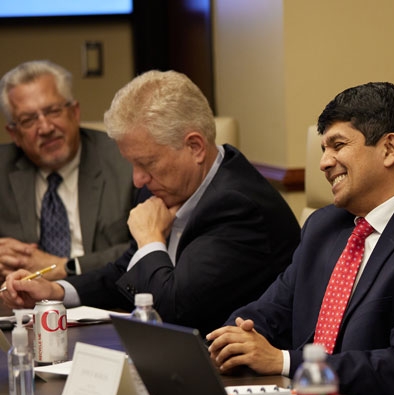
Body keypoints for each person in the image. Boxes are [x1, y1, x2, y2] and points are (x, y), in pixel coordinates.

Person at [206, 82, 394, 395]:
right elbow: (275, 309)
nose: (324, 162)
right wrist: (236, 335)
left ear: (389, 149)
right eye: (323, 148)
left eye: (338, 145)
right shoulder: (324, 226)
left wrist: (284, 362)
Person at [1, 70, 301, 335]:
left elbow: (171, 314)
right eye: (132, 164)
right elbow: (126, 272)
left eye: (146, 163)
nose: (137, 180)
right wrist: (56, 291)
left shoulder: (237, 207)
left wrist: (149, 240)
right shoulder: (168, 185)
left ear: (195, 146)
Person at [0, 60, 134, 280]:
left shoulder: (124, 161)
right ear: (14, 133)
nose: (45, 128)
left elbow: (150, 247)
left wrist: (66, 267)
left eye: (53, 111)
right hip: (22, 308)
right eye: (28, 120)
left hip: (102, 301)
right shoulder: (2, 168)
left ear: (75, 112)